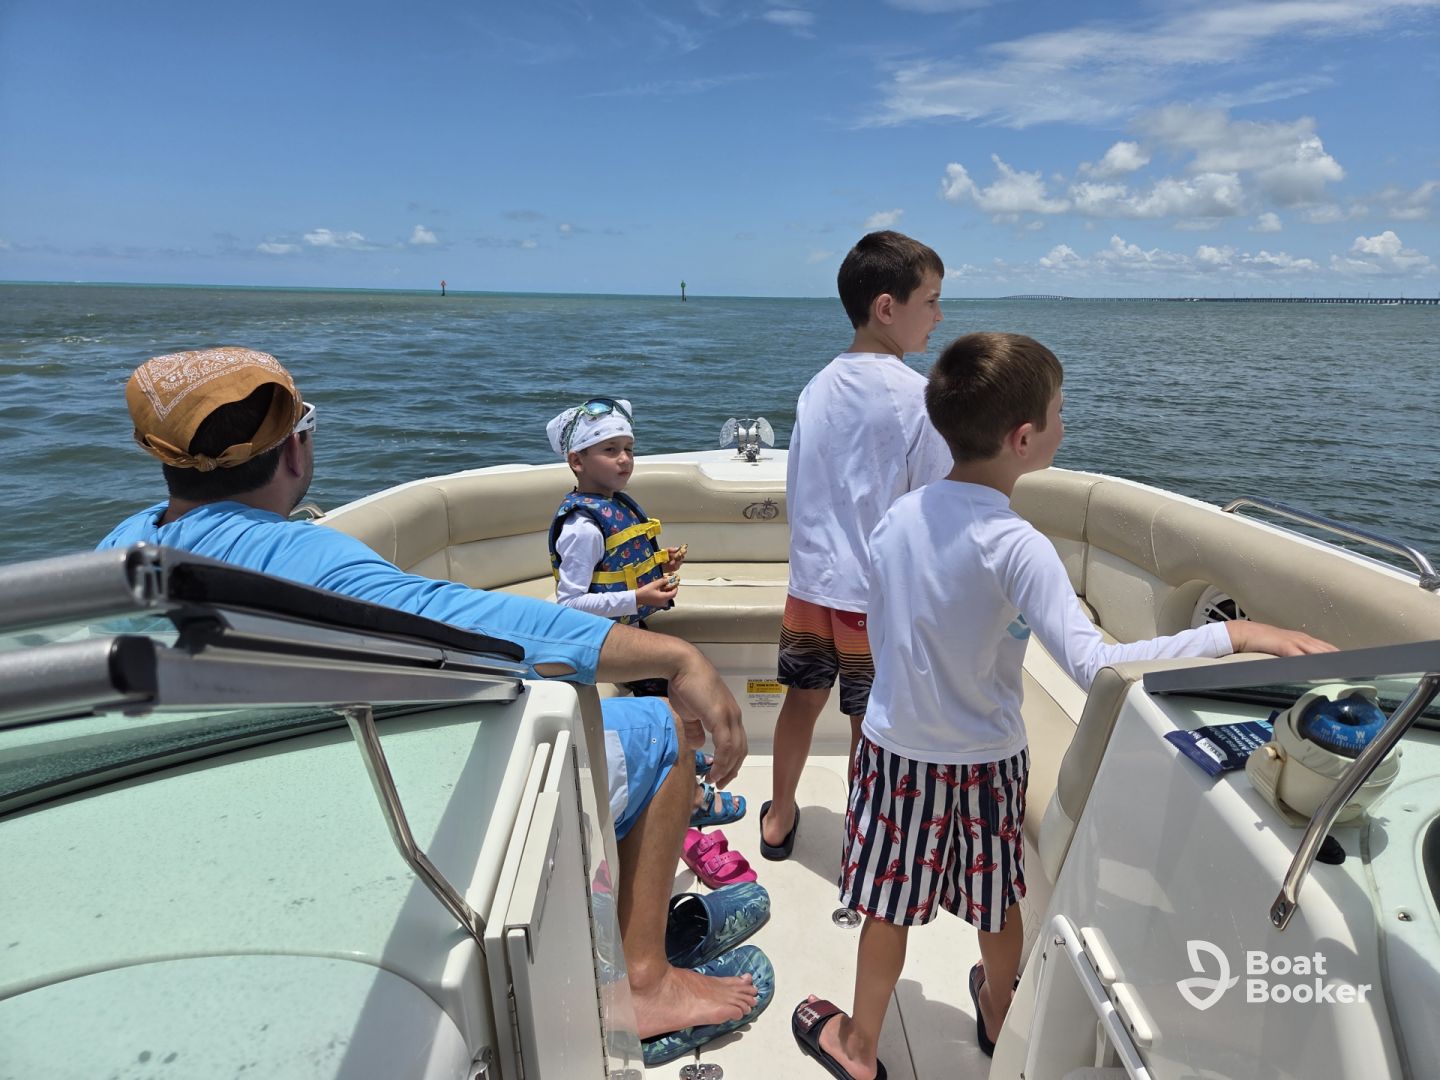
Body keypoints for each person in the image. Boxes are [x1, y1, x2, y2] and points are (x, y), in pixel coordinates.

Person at [97, 346, 765, 1053]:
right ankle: (644, 984)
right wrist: (678, 656)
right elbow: (474, 623)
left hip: (246, 802)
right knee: (659, 726)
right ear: (295, 449)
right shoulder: (306, 561)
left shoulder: (123, 547)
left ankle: (639, 877)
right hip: (381, 811)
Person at [791, 332, 1335, 1080]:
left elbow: (885, 629)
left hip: (896, 752)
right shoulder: (1017, 544)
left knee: (887, 906)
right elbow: (1095, 665)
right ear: (1023, 440)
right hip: (988, 759)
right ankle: (999, 1012)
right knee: (995, 901)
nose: (1065, 423)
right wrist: (1231, 635)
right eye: (1058, 411)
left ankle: (857, 1047)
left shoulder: (898, 518)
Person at [761, 230, 951, 861]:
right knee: (868, 722)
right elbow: (934, 506)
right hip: (873, 595)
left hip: (811, 585)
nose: (939, 316)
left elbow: (799, 483)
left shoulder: (815, 387)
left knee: (801, 701)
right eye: (931, 301)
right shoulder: (918, 398)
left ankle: (778, 818)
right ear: (887, 308)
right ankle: (865, 844)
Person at [545, 397, 744, 828]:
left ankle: (686, 758)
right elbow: (569, 604)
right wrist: (637, 598)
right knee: (671, 709)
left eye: (629, 449)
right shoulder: (582, 528)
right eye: (610, 450)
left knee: (679, 695)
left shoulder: (614, 504)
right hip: (598, 643)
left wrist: (660, 566)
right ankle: (691, 800)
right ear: (577, 461)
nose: (624, 459)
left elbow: (617, 568)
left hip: (625, 631)